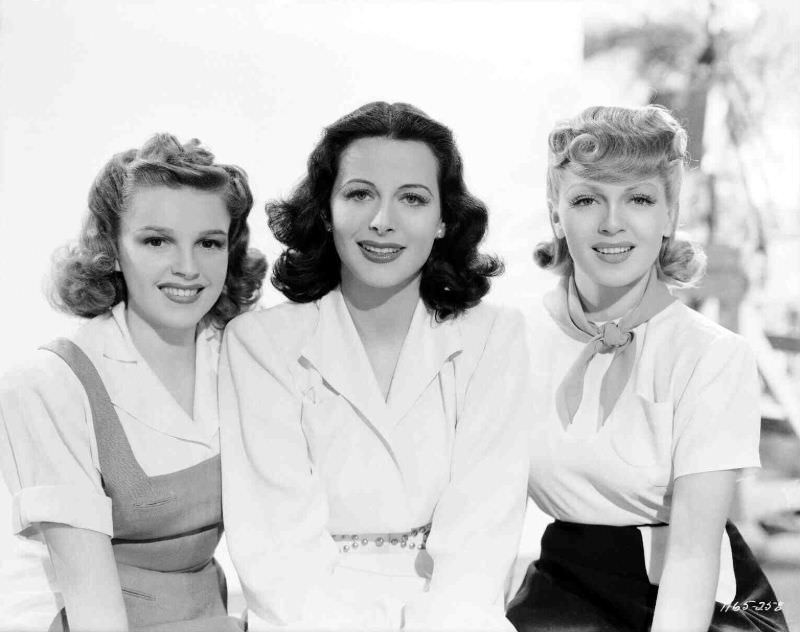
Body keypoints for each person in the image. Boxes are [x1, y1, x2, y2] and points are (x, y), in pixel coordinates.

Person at [219, 101, 531, 631]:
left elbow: (481, 540)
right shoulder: (259, 343)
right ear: (325, 211)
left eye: (412, 198)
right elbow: (276, 552)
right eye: (359, 194)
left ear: (443, 221)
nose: (383, 222)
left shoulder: (494, 337)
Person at [506, 105, 788, 632]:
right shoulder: (512, 340)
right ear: (555, 213)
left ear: (669, 215)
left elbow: (691, 556)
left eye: (638, 199)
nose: (613, 222)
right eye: (588, 199)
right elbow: (490, 518)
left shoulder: (713, 355)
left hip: (701, 597)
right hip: (562, 585)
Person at [0, 133, 267, 631]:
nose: (187, 268)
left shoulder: (246, 359)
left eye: (209, 242)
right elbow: (95, 616)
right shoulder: (48, 385)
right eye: (156, 240)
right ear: (112, 249)